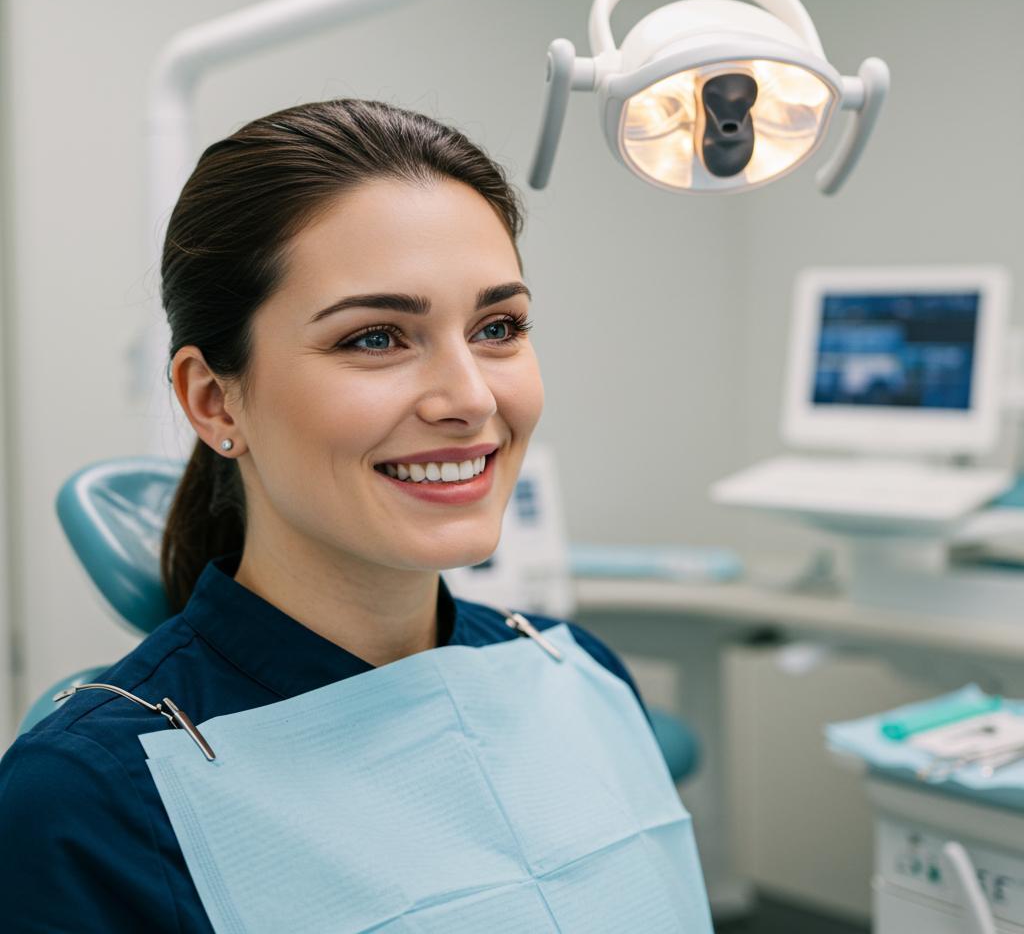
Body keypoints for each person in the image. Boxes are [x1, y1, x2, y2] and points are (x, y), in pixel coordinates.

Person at [0, 100, 704, 933]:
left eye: (498, 327)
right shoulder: (90, 799)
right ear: (214, 400)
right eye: (376, 338)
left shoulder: (575, 672)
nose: (471, 399)